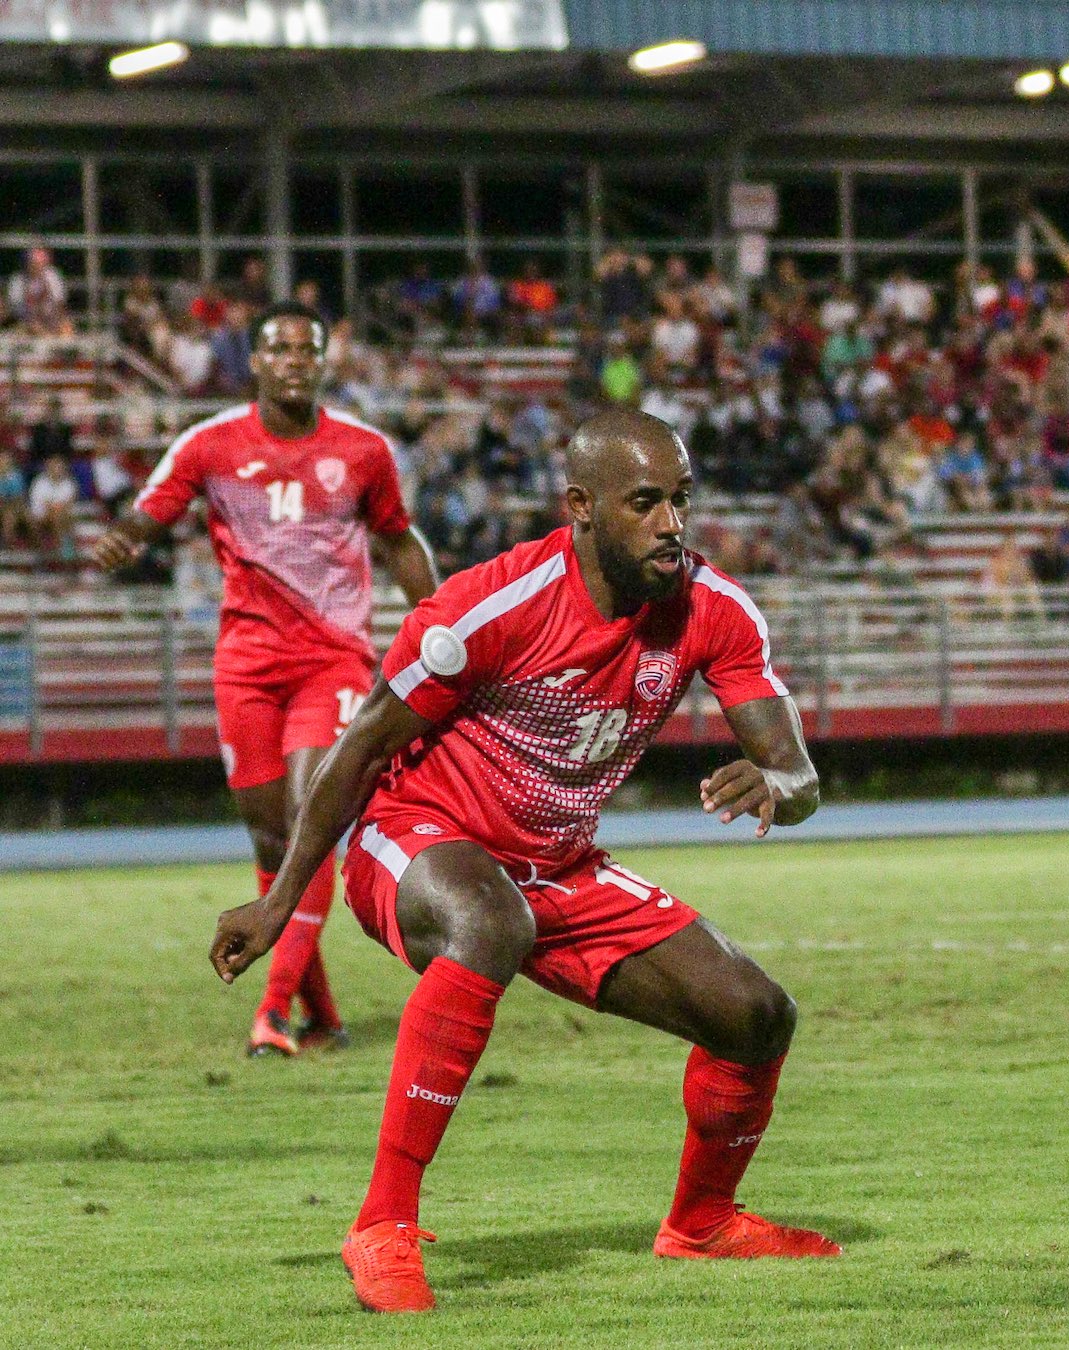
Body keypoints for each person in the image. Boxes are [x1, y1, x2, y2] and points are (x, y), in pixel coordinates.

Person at [207, 409, 839, 1314]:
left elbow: (798, 771)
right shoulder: (490, 607)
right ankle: (382, 1224)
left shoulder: (715, 609)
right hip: (417, 836)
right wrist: (276, 904)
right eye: (646, 503)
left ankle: (701, 1224)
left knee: (756, 1015)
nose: (672, 524)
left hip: (558, 866)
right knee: (487, 917)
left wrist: (783, 785)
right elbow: (358, 750)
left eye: (682, 502)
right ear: (581, 507)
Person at [92, 302, 440, 1059]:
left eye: (306, 348)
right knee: (273, 835)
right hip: (245, 664)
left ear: (322, 360)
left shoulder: (362, 450)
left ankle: (273, 1012)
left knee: (314, 818)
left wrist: (444, 627)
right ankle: (324, 1016)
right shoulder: (210, 443)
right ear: (254, 361)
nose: (293, 360)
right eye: (278, 348)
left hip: (333, 659)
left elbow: (398, 541)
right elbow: (153, 510)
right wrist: (124, 537)